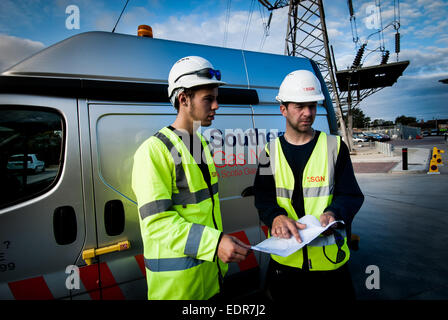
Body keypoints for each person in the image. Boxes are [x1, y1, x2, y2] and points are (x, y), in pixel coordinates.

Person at [132, 56, 251, 300]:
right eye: (209, 99)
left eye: (217, 98)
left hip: (212, 279)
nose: (216, 105)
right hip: (179, 289)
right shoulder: (153, 151)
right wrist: (215, 244)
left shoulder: (202, 144)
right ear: (183, 99)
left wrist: (216, 246)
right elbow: (156, 222)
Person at [253, 70, 364, 302]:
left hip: (330, 266)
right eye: (300, 106)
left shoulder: (335, 147)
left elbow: (351, 194)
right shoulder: (268, 152)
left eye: (312, 106)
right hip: (285, 265)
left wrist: (335, 212)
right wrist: (275, 216)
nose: (308, 113)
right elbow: (263, 196)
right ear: (283, 109)